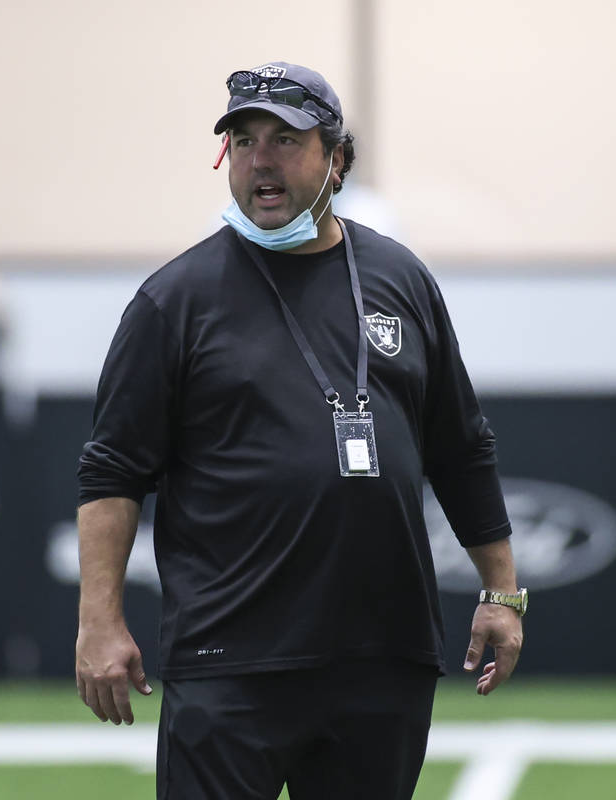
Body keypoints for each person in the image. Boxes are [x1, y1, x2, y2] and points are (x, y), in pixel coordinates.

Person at [75, 62, 526, 800]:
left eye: (285, 139)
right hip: (229, 661)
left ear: (337, 159)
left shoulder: (400, 279)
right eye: (244, 140)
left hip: (381, 660)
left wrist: (501, 593)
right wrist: (100, 622)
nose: (261, 159)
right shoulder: (174, 300)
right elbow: (113, 472)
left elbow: (462, 447)